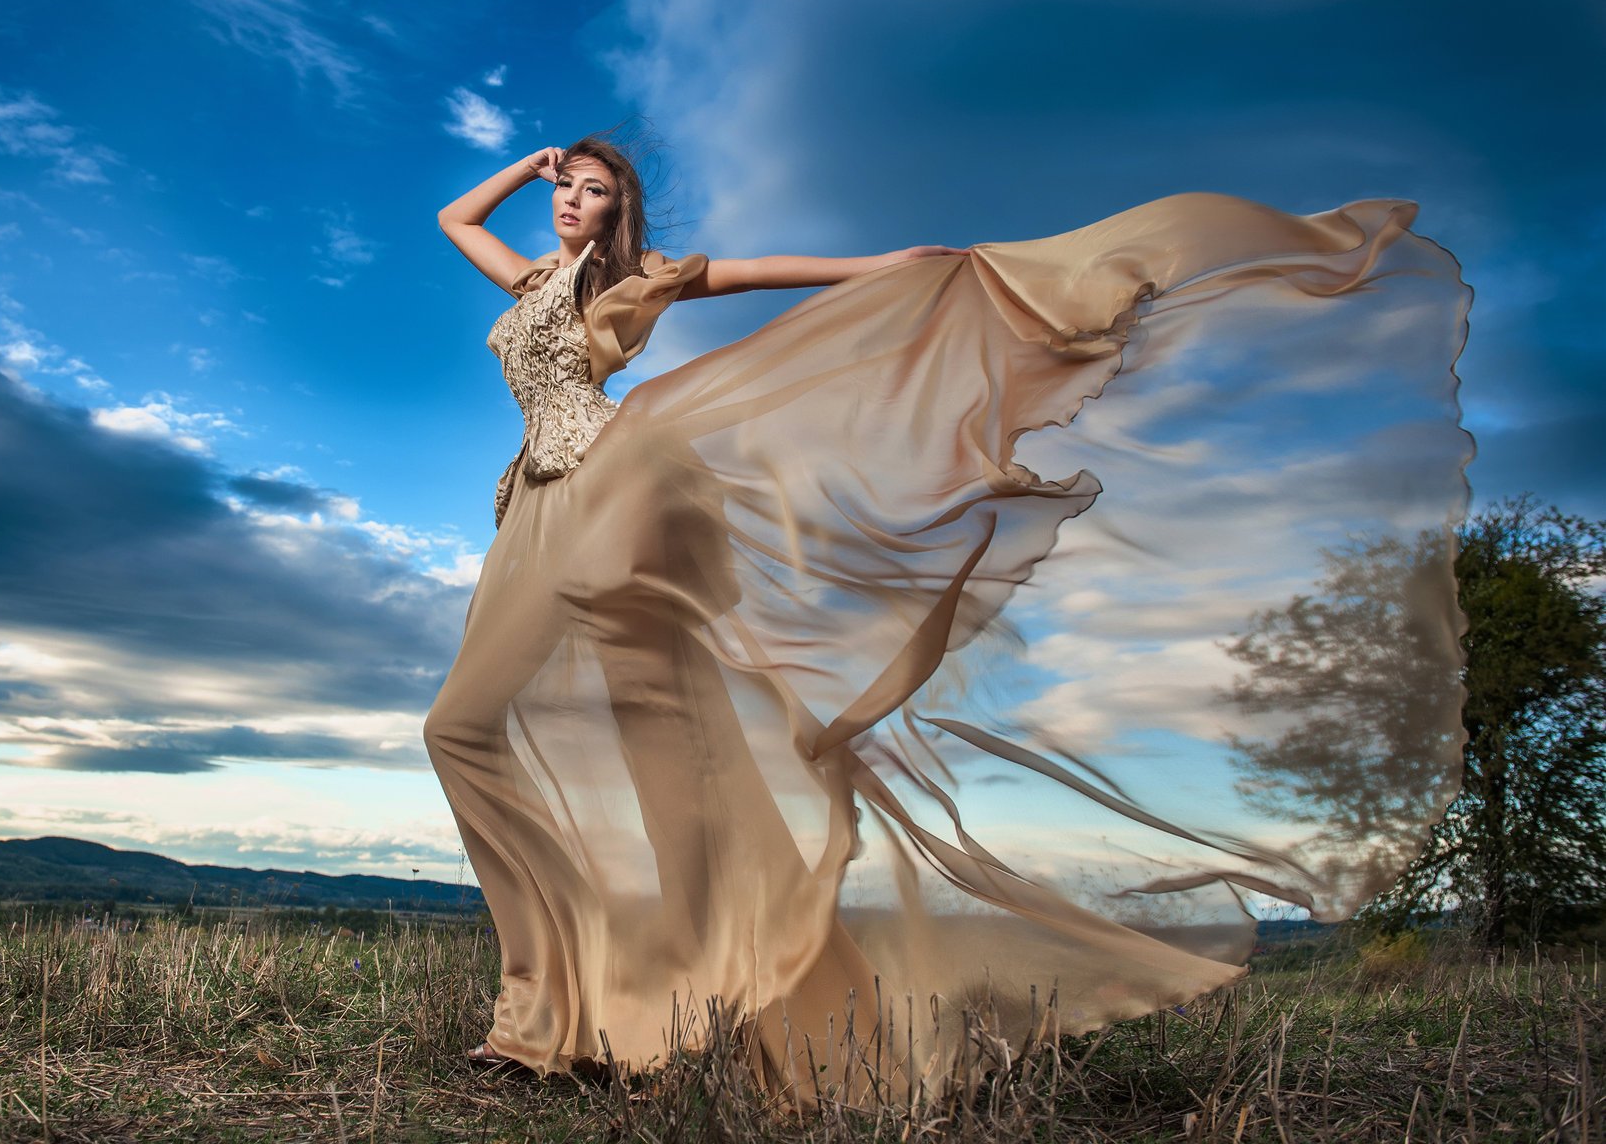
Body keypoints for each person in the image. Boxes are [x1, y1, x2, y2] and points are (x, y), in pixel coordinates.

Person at [425, 132, 1471, 1102]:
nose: (569, 201)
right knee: (469, 731)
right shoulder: (528, 281)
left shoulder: (646, 278)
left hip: (619, 486)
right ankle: (577, 1007)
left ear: (620, 213)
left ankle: (576, 1023)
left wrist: (890, 267)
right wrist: (526, 163)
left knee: (639, 729)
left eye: (590, 190)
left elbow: (763, 273)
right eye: (565, 188)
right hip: (534, 503)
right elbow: (452, 222)